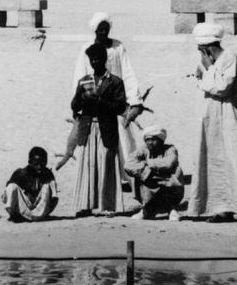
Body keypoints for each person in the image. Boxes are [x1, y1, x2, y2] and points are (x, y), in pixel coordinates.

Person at [59, 14, 143, 170]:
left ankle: (126, 174)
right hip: (94, 103)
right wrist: (79, 101)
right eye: (100, 30)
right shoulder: (86, 49)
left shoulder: (118, 47)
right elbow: (79, 76)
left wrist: (134, 101)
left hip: (116, 99)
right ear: (95, 30)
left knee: (122, 137)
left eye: (106, 29)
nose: (104, 32)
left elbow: (128, 73)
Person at [188, 23, 237, 221]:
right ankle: (218, 207)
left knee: (233, 160)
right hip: (210, 120)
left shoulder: (229, 57)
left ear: (207, 48)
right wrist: (206, 73)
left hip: (229, 118)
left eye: (201, 50)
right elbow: (206, 83)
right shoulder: (209, 63)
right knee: (214, 161)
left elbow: (223, 86)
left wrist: (208, 70)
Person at [69, 42, 127, 215]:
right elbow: (74, 106)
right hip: (88, 127)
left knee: (107, 163)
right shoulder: (84, 81)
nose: (95, 62)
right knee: (87, 164)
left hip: (106, 128)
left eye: (98, 58)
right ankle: (86, 206)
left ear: (104, 59)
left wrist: (100, 102)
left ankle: (108, 206)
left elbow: (119, 107)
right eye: (92, 59)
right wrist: (80, 96)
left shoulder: (115, 82)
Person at [124, 126, 184, 220]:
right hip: (149, 181)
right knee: (134, 174)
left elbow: (169, 163)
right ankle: (146, 209)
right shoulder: (142, 150)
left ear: (161, 140)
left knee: (178, 171)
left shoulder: (170, 149)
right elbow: (128, 164)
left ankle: (171, 209)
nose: (150, 142)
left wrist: (146, 164)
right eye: (148, 139)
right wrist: (147, 172)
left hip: (166, 182)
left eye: (154, 139)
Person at [3, 146, 58, 222]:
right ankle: (14, 215)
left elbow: (54, 199)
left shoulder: (47, 173)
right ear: (30, 162)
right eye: (36, 164)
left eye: (42, 164)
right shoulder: (21, 173)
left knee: (51, 183)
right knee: (12, 186)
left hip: (41, 209)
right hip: (23, 208)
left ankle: (40, 215)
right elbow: (6, 195)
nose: (39, 167)